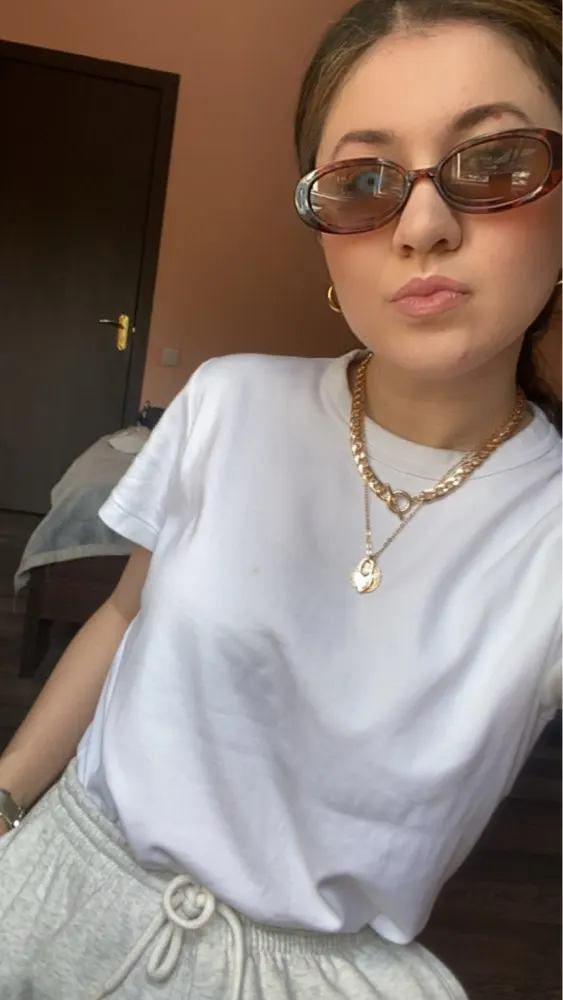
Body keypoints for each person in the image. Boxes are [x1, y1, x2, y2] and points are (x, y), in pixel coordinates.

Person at [0, 0, 561, 997]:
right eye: (364, 181)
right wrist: (4, 802)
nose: (422, 227)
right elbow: (125, 614)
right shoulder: (227, 401)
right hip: (57, 893)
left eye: (493, 164)